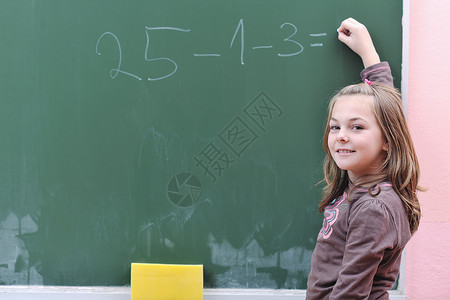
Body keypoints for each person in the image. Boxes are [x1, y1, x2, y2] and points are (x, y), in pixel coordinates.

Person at [306, 18, 422, 299]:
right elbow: (384, 109)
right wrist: (369, 54)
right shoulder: (370, 186)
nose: (341, 136)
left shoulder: (373, 208)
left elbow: (350, 294)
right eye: (336, 126)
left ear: (387, 140)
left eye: (356, 127)